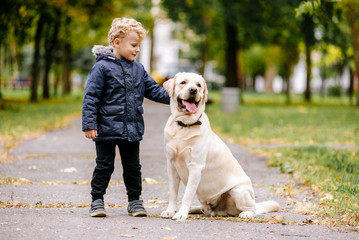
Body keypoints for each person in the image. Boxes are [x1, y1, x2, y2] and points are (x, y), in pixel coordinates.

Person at [82, 17, 170, 217]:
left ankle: (135, 202)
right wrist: (89, 124)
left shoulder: (138, 69)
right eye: (133, 45)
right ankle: (97, 201)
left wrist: (177, 96)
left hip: (131, 128)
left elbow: (154, 91)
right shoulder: (102, 68)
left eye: (139, 45)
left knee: (133, 167)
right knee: (104, 165)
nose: (137, 49)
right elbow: (91, 97)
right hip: (105, 128)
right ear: (117, 43)